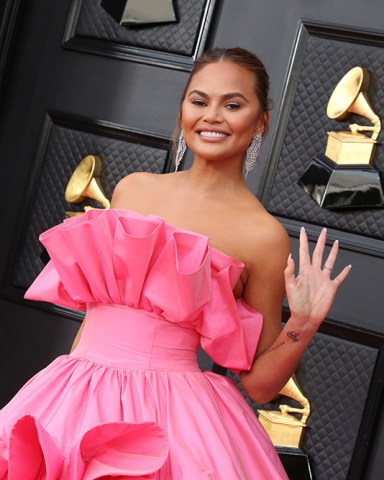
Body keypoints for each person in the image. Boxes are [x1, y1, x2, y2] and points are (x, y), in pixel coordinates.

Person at [0, 48, 350, 479]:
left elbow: (260, 385)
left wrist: (305, 321)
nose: (213, 116)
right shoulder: (133, 190)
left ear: (261, 122)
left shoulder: (263, 237)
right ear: (183, 108)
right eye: (199, 101)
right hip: (76, 389)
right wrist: (69, 393)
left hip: (170, 417)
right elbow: (95, 317)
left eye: (233, 104)